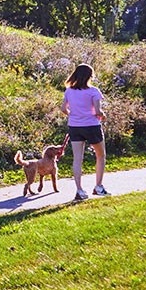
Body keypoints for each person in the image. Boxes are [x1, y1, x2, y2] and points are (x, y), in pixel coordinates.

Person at [61, 63, 108, 202]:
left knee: (77, 159)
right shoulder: (94, 91)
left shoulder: (69, 91)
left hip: (75, 126)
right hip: (92, 126)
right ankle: (98, 187)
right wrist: (103, 116)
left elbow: (63, 108)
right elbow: (98, 111)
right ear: (90, 76)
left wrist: (73, 115)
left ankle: (79, 190)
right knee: (100, 156)